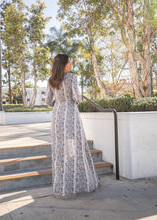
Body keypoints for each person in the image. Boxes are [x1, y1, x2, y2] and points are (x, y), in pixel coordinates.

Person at [45, 53, 101, 199]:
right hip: (70, 112)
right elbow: (77, 98)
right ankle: (89, 181)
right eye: (69, 62)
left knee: (61, 149)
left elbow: (48, 101)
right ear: (63, 64)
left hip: (57, 114)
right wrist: (75, 98)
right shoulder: (72, 77)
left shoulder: (51, 80)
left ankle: (64, 186)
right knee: (79, 146)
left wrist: (59, 101)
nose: (71, 64)